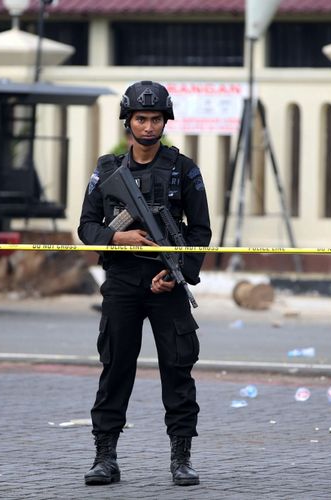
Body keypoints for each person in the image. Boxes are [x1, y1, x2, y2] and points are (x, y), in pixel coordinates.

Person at [78, 81, 211, 486]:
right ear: (128, 122)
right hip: (121, 280)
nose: (149, 127)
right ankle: (105, 456)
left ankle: (181, 458)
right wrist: (119, 237)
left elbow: (200, 232)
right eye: (141, 118)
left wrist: (174, 274)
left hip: (164, 281)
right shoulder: (106, 171)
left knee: (177, 368)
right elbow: (86, 227)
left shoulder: (184, 169)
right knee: (116, 366)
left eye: (155, 119)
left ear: (165, 121)